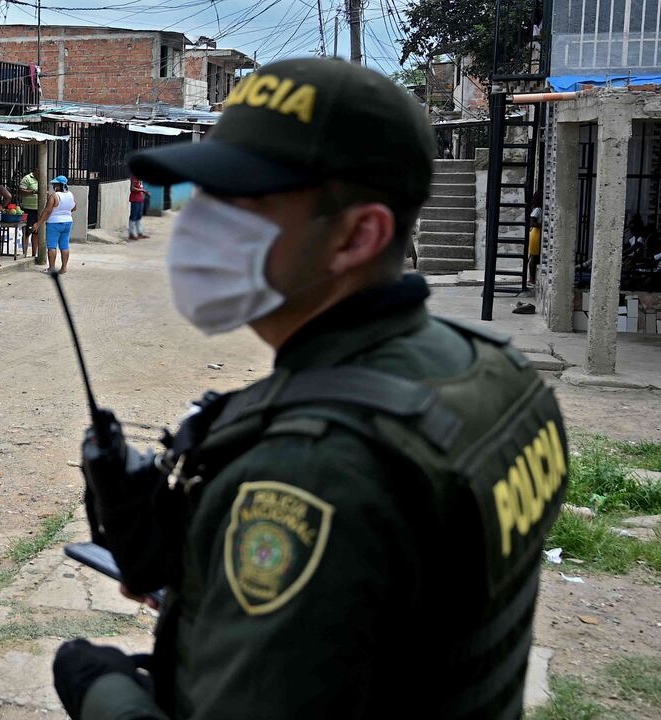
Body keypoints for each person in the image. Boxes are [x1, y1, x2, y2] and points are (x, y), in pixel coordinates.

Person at [52, 57, 568, 720]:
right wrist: (206, 564)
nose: (202, 224)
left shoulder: (311, 474)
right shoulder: (497, 372)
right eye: (206, 194)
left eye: (245, 202)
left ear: (359, 235)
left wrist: (102, 687)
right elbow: (399, 602)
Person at [38, 175, 77, 273]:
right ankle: (64, 268)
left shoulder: (54, 196)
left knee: (52, 246)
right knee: (64, 246)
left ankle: (51, 268)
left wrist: (38, 223)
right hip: (68, 222)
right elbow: (74, 207)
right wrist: (64, 211)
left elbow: (47, 211)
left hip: (54, 223)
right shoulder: (70, 194)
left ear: (59, 185)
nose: (53, 186)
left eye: (55, 184)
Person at [19, 168, 42, 259]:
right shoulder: (27, 178)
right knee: (27, 232)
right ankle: (24, 253)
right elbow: (21, 191)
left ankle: (33, 254)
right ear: (36, 171)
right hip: (28, 209)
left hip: (38, 209)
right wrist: (33, 192)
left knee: (36, 232)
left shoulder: (42, 179)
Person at [128, 176, 150, 240]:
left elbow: (140, 187)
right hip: (135, 200)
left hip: (140, 200)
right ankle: (131, 234)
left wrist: (144, 193)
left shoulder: (140, 179)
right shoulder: (134, 178)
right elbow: (132, 188)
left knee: (138, 216)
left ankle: (139, 233)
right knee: (133, 216)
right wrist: (142, 190)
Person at [527, 206, 542, 285]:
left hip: (538, 234)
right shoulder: (537, 209)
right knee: (534, 256)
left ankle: (533, 278)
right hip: (536, 234)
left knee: (536, 256)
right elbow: (532, 223)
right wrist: (543, 224)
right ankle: (531, 279)